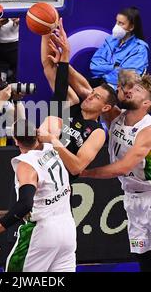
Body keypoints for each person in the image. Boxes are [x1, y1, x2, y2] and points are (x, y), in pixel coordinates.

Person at [81, 74, 151, 272]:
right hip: (132, 199)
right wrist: (64, 63)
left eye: (137, 91)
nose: (130, 91)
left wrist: (83, 172)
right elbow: (88, 91)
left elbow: (123, 167)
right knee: (144, 260)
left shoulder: (150, 130)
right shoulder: (115, 116)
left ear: (146, 103)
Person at [0, 120, 76, 272]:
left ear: (15, 140)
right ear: (37, 134)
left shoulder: (26, 164)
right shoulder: (53, 148)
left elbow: (25, 204)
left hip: (43, 231)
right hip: (68, 228)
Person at [38, 18, 117, 180]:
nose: (89, 97)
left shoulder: (97, 132)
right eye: (91, 92)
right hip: (37, 171)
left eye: (96, 97)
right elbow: (49, 66)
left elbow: (76, 167)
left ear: (105, 108)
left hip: (58, 186)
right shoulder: (72, 104)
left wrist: (53, 141)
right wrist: (46, 30)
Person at [90, 7, 149, 89]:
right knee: (69, 89)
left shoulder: (140, 48)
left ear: (131, 27)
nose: (116, 26)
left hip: (118, 89)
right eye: (116, 22)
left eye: (121, 23)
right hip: (99, 82)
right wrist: (114, 67)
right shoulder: (110, 40)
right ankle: (65, 102)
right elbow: (94, 66)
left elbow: (127, 77)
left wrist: (105, 72)